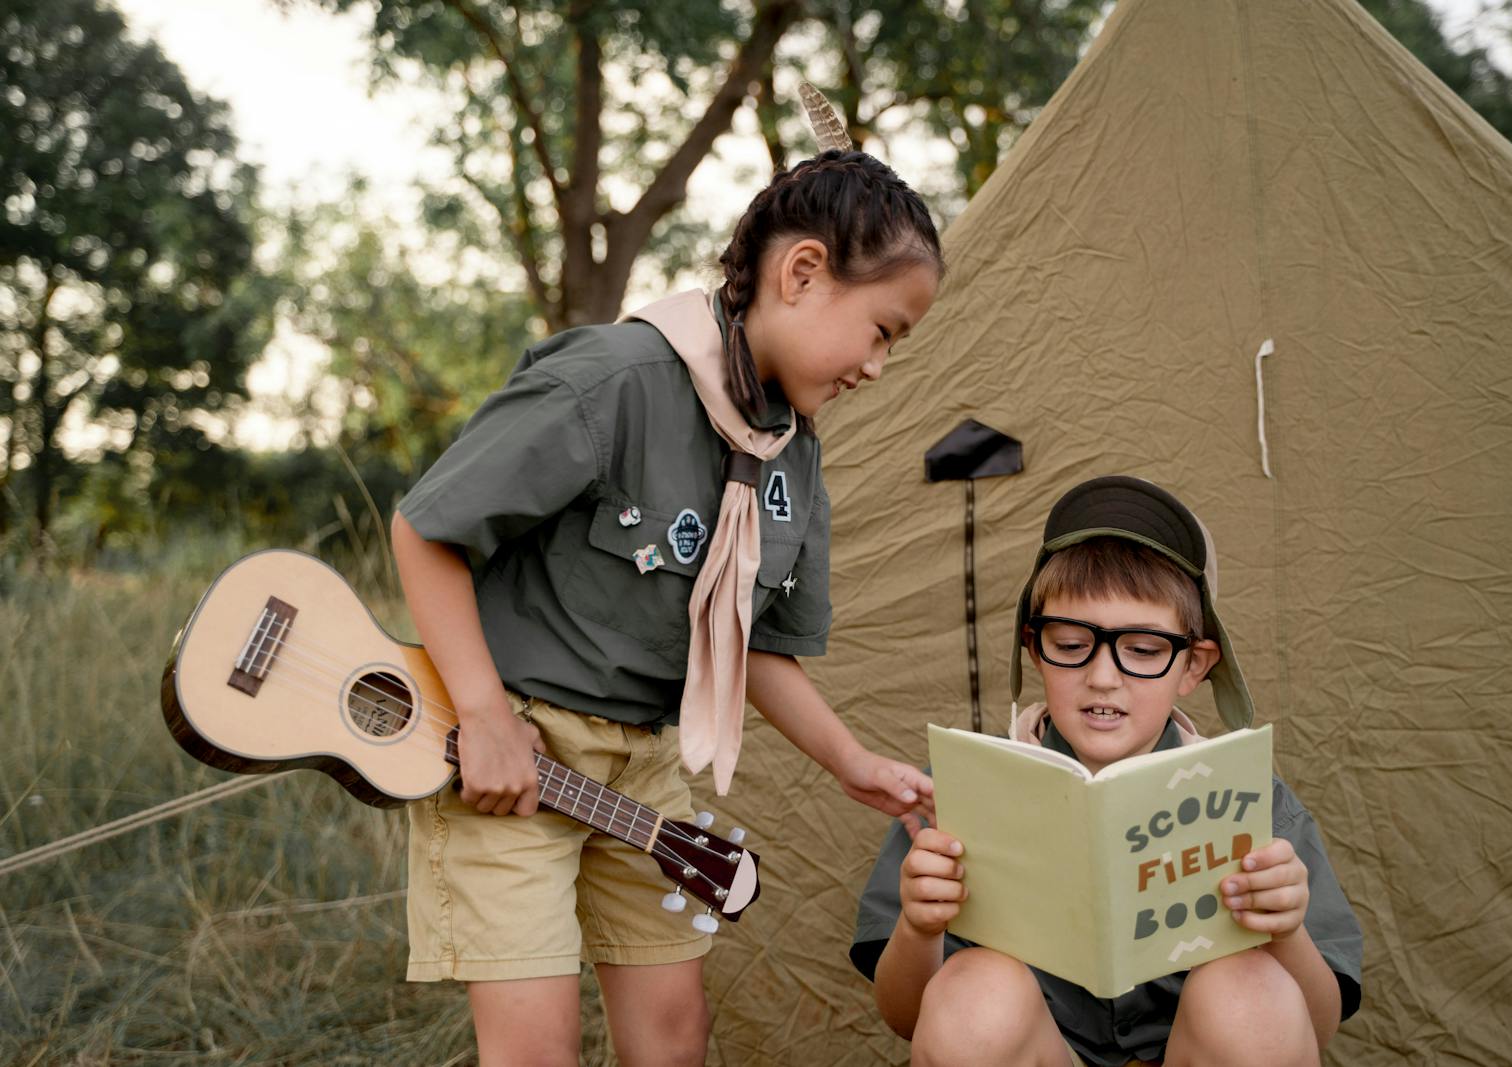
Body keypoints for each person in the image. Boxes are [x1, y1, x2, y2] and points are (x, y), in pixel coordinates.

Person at [391, 149, 943, 1067]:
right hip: (512, 752)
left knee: (676, 1036)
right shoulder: (615, 380)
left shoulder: (791, 457)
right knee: (535, 1047)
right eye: (881, 330)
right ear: (802, 272)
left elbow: (756, 644)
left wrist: (853, 762)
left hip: (643, 770)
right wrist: (484, 715)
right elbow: (426, 532)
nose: (879, 367)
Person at [851, 476, 1363, 1067]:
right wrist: (919, 927)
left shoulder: (1255, 803)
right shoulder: (958, 792)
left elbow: (1314, 1030)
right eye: (1070, 644)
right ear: (1034, 648)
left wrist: (1286, 929)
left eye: (1144, 651)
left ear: (1193, 667)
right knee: (975, 988)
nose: (1103, 678)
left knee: (1249, 990)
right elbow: (907, 1020)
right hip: (1036, 1054)